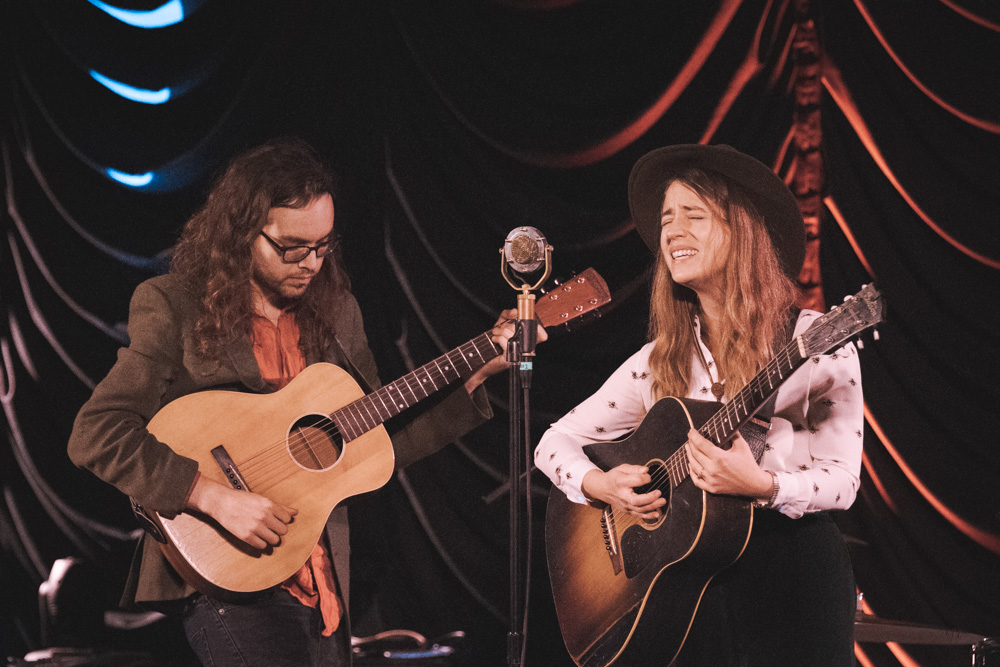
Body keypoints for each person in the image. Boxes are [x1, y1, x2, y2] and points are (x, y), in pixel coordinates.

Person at [67, 137, 538, 666]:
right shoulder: (173, 305)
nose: (311, 263)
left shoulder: (337, 315)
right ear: (243, 232)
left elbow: (370, 448)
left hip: (322, 583)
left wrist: (478, 373)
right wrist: (212, 496)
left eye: (322, 247)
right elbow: (97, 432)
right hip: (230, 578)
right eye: (292, 248)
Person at [535, 144, 863, 666]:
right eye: (667, 218)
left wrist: (764, 486)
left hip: (793, 579)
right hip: (690, 588)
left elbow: (843, 481)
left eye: (694, 215)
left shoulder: (814, 340)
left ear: (743, 232)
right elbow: (554, 442)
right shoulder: (659, 359)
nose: (672, 231)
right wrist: (602, 483)